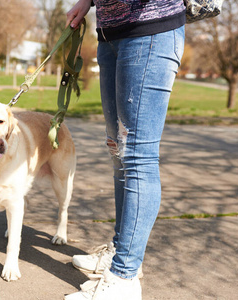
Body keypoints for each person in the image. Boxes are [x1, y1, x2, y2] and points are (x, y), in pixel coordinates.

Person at [64, 1, 186, 299]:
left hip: (151, 29)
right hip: (110, 33)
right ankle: (121, 250)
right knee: (118, 151)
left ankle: (124, 277)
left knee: (137, 156)